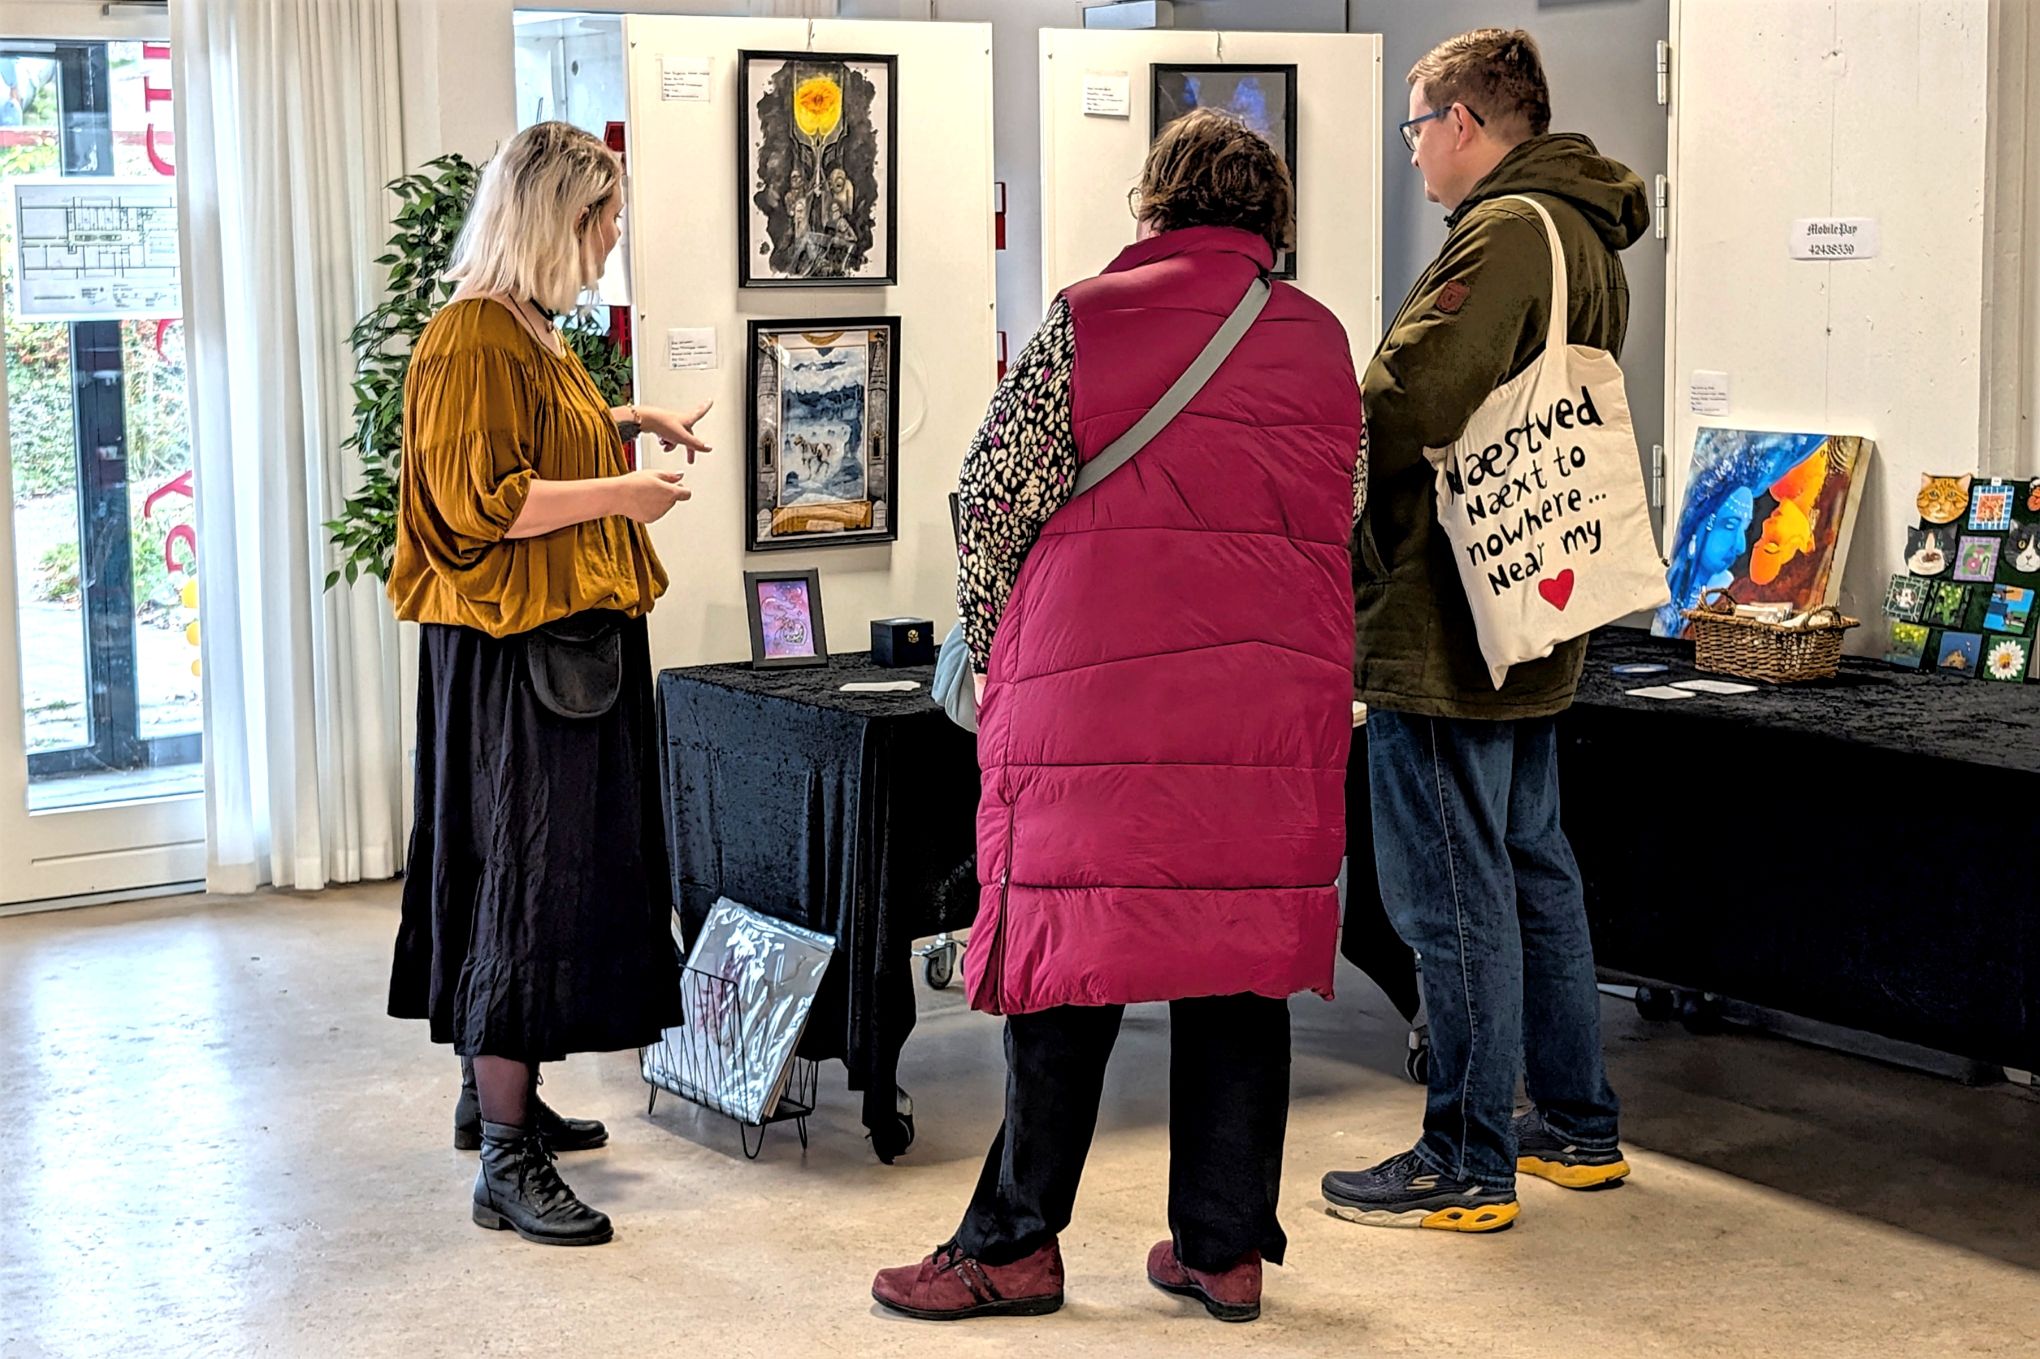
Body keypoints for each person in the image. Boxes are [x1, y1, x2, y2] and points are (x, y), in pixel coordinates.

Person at [871, 109, 1363, 1325]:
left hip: (1097, 695)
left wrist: (995, 642)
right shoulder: (1320, 340)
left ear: (1154, 207)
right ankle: (1223, 1249)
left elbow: (993, 496)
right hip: (1265, 706)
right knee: (1240, 957)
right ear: (1272, 221)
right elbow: (1342, 511)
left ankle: (1012, 1246)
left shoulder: (1091, 319)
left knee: (1070, 958)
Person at [1320, 29, 1650, 1233]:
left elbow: (1415, 393)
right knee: (1532, 865)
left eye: (1416, 128)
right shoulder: (1584, 231)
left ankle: (1466, 1155)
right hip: (1533, 598)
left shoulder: (1506, 231)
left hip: (1446, 616)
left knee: (1451, 891)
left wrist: (1327, 432)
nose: (1412, 153)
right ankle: (1575, 1123)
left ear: (1462, 120)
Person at [385, 120, 712, 1247]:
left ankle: (497, 1100)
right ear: (559, 218)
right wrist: (625, 492)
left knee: (536, 874)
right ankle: (506, 1159)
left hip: (550, 644)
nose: (612, 240)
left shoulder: (521, 326)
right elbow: (486, 503)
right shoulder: (478, 331)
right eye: (606, 221)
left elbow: (527, 442)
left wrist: (624, 419)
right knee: (524, 881)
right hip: (520, 658)